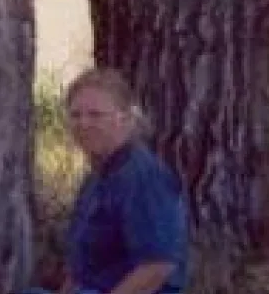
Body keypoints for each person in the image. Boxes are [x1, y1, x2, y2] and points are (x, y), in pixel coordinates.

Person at [56, 68, 190, 294]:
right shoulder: (97, 177)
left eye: (95, 115)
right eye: (76, 115)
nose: (83, 124)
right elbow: (80, 269)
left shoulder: (142, 178)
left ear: (125, 119)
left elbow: (158, 267)